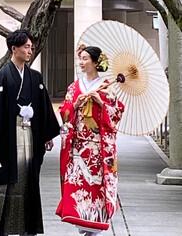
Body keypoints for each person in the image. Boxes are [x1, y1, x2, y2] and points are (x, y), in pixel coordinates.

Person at [0, 29, 60, 236]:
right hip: (7, 137)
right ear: (14, 49)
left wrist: (47, 134)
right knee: (5, 181)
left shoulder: (35, 77)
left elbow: (43, 107)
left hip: (30, 135)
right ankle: (2, 229)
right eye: (26, 47)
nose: (30, 50)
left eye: (31, 47)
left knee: (28, 180)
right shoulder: (1, 77)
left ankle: (28, 229)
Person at [56, 45, 125, 236]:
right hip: (78, 145)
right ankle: (82, 221)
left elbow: (116, 114)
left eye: (85, 58)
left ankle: (94, 226)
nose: (81, 62)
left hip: (98, 148)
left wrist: (101, 102)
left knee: (96, 185)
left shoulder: (107, 88)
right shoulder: (74, 86)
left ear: (95, 62)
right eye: (80, 58)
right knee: (79, 184)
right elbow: (65, 112)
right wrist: (75, 104)